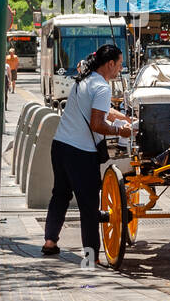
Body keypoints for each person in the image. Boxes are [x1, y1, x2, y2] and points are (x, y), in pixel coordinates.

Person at [42, 45, 133, 261]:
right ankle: (91, 255)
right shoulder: (102, 87)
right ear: (110, 64)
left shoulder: (83, 79)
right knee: (89, 204)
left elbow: (97, 109)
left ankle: (50, 241)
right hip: (81, 152)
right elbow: (97, 123)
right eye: (119, 65)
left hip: (60, 145)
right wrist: (121, 130)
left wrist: (123, 117)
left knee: (60, 194)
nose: (120, 69)